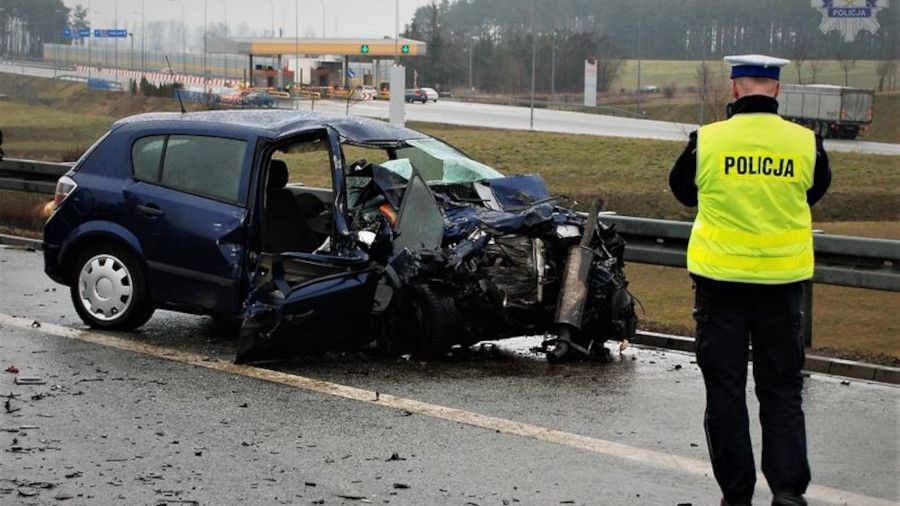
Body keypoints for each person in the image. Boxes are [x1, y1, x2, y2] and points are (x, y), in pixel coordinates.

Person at [669, 54, 831, 506]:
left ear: (734, 89)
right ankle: (787, 490)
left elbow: (683, 191)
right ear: (776, 90)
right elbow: (815, 190)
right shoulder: (806, 142)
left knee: (725, 390)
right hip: (782, 286)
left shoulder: (708, 141)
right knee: (781, 388)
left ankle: (736, 495)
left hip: (720, 285)